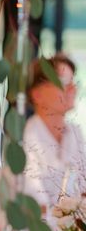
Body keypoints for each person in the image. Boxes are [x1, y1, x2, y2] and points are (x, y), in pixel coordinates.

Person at [23, 53, 86, 215]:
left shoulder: (75, 133)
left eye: (73, 81)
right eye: (64, 82)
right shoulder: (24, 142)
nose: (73, 88)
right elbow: (36, 208)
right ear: (36, 94)